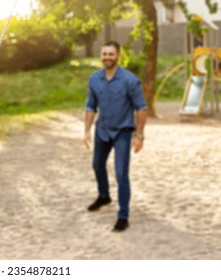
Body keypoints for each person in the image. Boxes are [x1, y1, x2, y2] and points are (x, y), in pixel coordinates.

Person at [83, 41, 147, 232]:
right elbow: (90, 106)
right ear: (101, 56)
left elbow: (141, 108)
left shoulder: (130, 80)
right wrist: (86, 131)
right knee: (97, 165)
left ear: (118, 56)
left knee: (121, 173)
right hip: (102, 130)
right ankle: (104, 196)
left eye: (111, 54)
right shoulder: (94, 79)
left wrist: (140, 135)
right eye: (104, 54)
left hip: (123, 132)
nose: (107, 58)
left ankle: (123, 216)